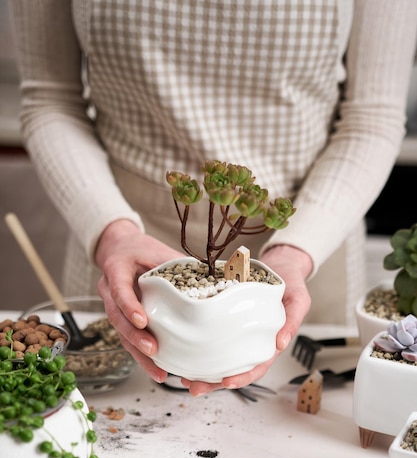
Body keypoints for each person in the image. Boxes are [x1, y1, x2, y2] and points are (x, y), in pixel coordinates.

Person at [8, 1, 417, 396]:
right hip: (125, 241)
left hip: (309, 237)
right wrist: (111, 232)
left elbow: (372, 116)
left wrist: (296, 252)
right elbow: (51, 98)